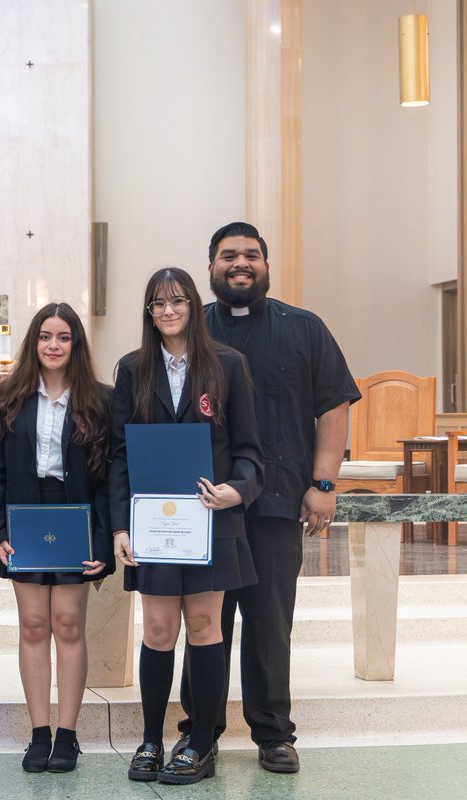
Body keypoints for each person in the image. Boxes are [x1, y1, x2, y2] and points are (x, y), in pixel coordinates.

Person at [174, 222, 359, 774]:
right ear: (209, 267)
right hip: (205, 506)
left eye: (251, 255)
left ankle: (273, 733)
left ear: (267, 266)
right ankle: (199, 731)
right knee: (204, 623)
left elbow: (334, 407)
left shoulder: (304, 329)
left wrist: (323, 484)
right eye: (229, 256)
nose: (240, 264)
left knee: (269, 624)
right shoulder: (188, 329)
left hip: (277, 503)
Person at [109, 267, 263, 785]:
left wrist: (236, 490)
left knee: (203, 628)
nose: (168, 311)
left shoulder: (228, 365)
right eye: (158, 303)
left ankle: (200, 743)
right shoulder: (133, 369)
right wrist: (119, 527)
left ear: (194, 306)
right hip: (152, 526)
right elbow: (117, 457)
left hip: (209, 522)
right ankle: (151, 740)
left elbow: (249, 450)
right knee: (157, 631)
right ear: (149, 313)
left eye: (177, 301)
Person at [0, 302, 113, 774]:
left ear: (75, 345)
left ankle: (69, 736)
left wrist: (101, 540)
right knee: (34, 624)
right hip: (25, 519)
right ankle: (39, 734)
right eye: (45, 337)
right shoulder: (9, 400)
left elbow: (110, 479)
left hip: (78, 516)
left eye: (63, 337)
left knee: (68, 624)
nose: (53, 346)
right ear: (33, 342)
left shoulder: (100, 399)